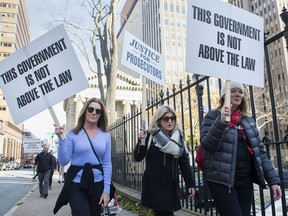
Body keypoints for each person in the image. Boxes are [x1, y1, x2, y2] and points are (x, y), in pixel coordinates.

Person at [200, 81, 282, 216]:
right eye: (233, 91)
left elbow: (259, 153)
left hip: (245, 181)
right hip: (222, 181)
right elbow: (208, 145)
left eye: (240, 91)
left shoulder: (248, 121)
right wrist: (221, 122)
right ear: (224, 95)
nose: (237, 94)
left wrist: (273, 180)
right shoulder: (213, 115)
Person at [53, 98, 112, 216]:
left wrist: (106, 190)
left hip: (98, 184)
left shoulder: (105, 136)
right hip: (76, 184)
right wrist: (61, 139)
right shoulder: (72, 134)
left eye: (98, 111)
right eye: (90, 109)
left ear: (101, 115)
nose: (94, 113)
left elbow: (107, 164)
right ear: (85, 111)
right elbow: (64, 161)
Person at [134, 105, 196, 216]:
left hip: (170, 186)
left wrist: (190, 184)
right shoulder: (150, 135)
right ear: (159, 121)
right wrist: (141, 142)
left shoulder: (178, 138)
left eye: (172, 118)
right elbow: (138, 157)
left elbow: (184, 163)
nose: (170, 121)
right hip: (154, 186)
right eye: (166, 118)